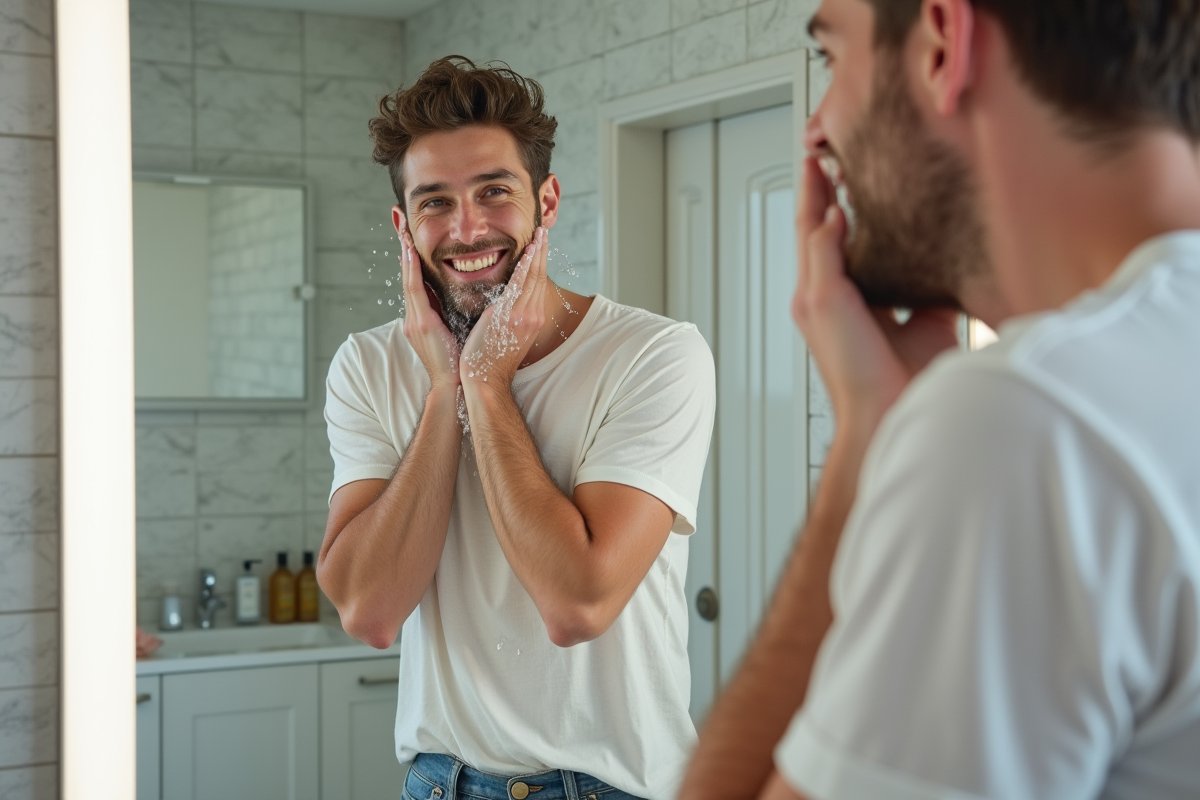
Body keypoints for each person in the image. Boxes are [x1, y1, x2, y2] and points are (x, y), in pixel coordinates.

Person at [681, 0, 1200, 798]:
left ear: (940, 43)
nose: (816, 130)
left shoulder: (1029, 424)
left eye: (831, 58)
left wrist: (865, 443)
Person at [315, 56, 715, 800]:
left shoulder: (655, 355)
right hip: (440, 783)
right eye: (435, 202)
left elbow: (577, 604)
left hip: (609, 787)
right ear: (403, 225)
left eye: (494, 192)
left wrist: (486, 380)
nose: (467, 228)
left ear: (548, 199)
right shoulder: (368, 365)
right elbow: (368, 612)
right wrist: (444, 389)